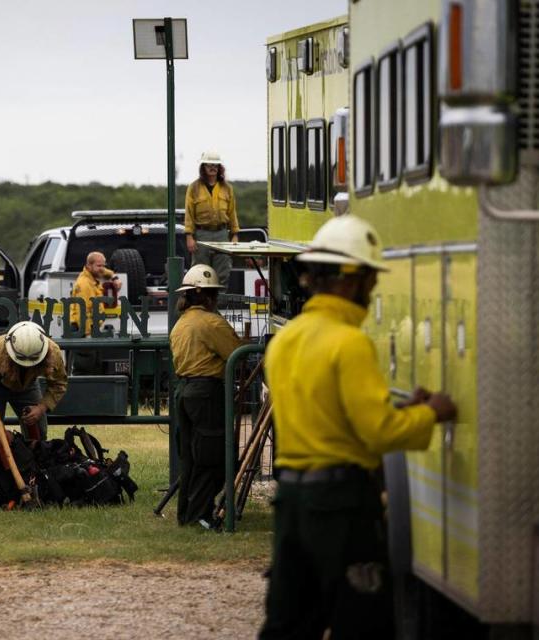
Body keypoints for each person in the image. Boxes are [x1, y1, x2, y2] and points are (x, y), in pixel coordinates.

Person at [259, 216, 458, 639]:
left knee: (288, 624)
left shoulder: (286, 341)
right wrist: (431, 413)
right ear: (352, 281)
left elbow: (327, 413)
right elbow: (379, 434)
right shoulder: (349, 343)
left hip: (292, 502)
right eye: (370, 281)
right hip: (342, 506)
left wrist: (400, 406)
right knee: (362, 623)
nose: (372, 292)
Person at [169, 264, 243, 527]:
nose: (216, 299)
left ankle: (187, 513)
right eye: (213, 293)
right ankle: (200, 514)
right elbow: (236, 352)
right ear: (205, 296)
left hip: (184, 392)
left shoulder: (181, 324)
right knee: (213, 456)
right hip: (206, 393)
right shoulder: (211, 323)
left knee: (190, 457)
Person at [0, 320, 67, 442]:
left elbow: (59, 384)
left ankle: (33, 457)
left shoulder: (53, 352)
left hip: (28, 385)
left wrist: (41, 408)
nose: (26, 366)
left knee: (38, 432)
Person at [184, 150, 239, 287]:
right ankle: (202, 305)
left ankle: (217, 306)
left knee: (222, 271)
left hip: (221, 234)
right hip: (201, 234)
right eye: (209, 165)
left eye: (215, 165)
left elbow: (232, 213)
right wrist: (189, 236)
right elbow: (189, 213)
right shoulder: (194, 188)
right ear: (203, 167)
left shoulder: (227, 188)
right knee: (200, 272)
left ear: (220, 167)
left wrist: (235, 235)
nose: (212, 168)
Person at [69, 251, 122, 374]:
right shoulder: (84, 285)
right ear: (88, 265)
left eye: (103, 265)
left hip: (92, 329)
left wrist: (114, 277)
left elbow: (104, 271)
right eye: (99, 266)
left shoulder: (92, 276)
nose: (102, 269)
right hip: (82, 330)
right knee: (84, 368)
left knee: (95, 366)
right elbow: (83, 312)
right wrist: (88, 335)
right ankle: (82, 393)